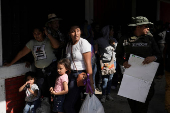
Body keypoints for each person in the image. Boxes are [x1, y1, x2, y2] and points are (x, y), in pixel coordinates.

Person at [116, 16, 161, 113]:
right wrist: (123, 62)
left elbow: (159, 54)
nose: (148, 28)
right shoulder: (125, 39)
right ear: (138, 27)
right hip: (131, 77)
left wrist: (154, 58)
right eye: (146, 26)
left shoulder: (150, 38)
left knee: (143, 107)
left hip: (146, 78)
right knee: (133, 106)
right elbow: (118, 56)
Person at [4, 26, 60, 99]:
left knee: (53, 88)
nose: (36, 35)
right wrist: (10, 63)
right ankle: (46, 106)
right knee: (43, 89)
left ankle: (54, 107)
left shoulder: (48, 40)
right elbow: (21, 53)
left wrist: (48, 34)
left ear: (43, 33)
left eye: (38, 33)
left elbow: (57, 45)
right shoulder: (32, 43)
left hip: (51, 69)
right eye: (34, 34)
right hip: (40, 71)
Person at [63, 23, 95, 113]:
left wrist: (91, 83)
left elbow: (88, 63)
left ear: (80, 32)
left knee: (68, 106)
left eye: (78, 31)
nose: (76, 33)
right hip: (70, 75)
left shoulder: (83, 43)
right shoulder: (69, 45)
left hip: (80, 75)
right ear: (69, 33)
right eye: (73, 31)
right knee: (76, 104)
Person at [95, 25, 117, 103]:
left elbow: (117, 50)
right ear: (107, 31)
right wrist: (99, 54)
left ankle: (108, 94)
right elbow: (96, 51)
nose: (113, 32)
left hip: (113, 61)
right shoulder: (99, 40)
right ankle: (103, 95)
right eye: (112, 30)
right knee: (104, 79)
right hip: (105, 62)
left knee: (110, 78)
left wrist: (113, 43)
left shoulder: (114, 39)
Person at [164, 25, 170, 113]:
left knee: (168, 87)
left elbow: (164, 51)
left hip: (168, 66)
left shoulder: (168, 34)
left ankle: (168, 108)